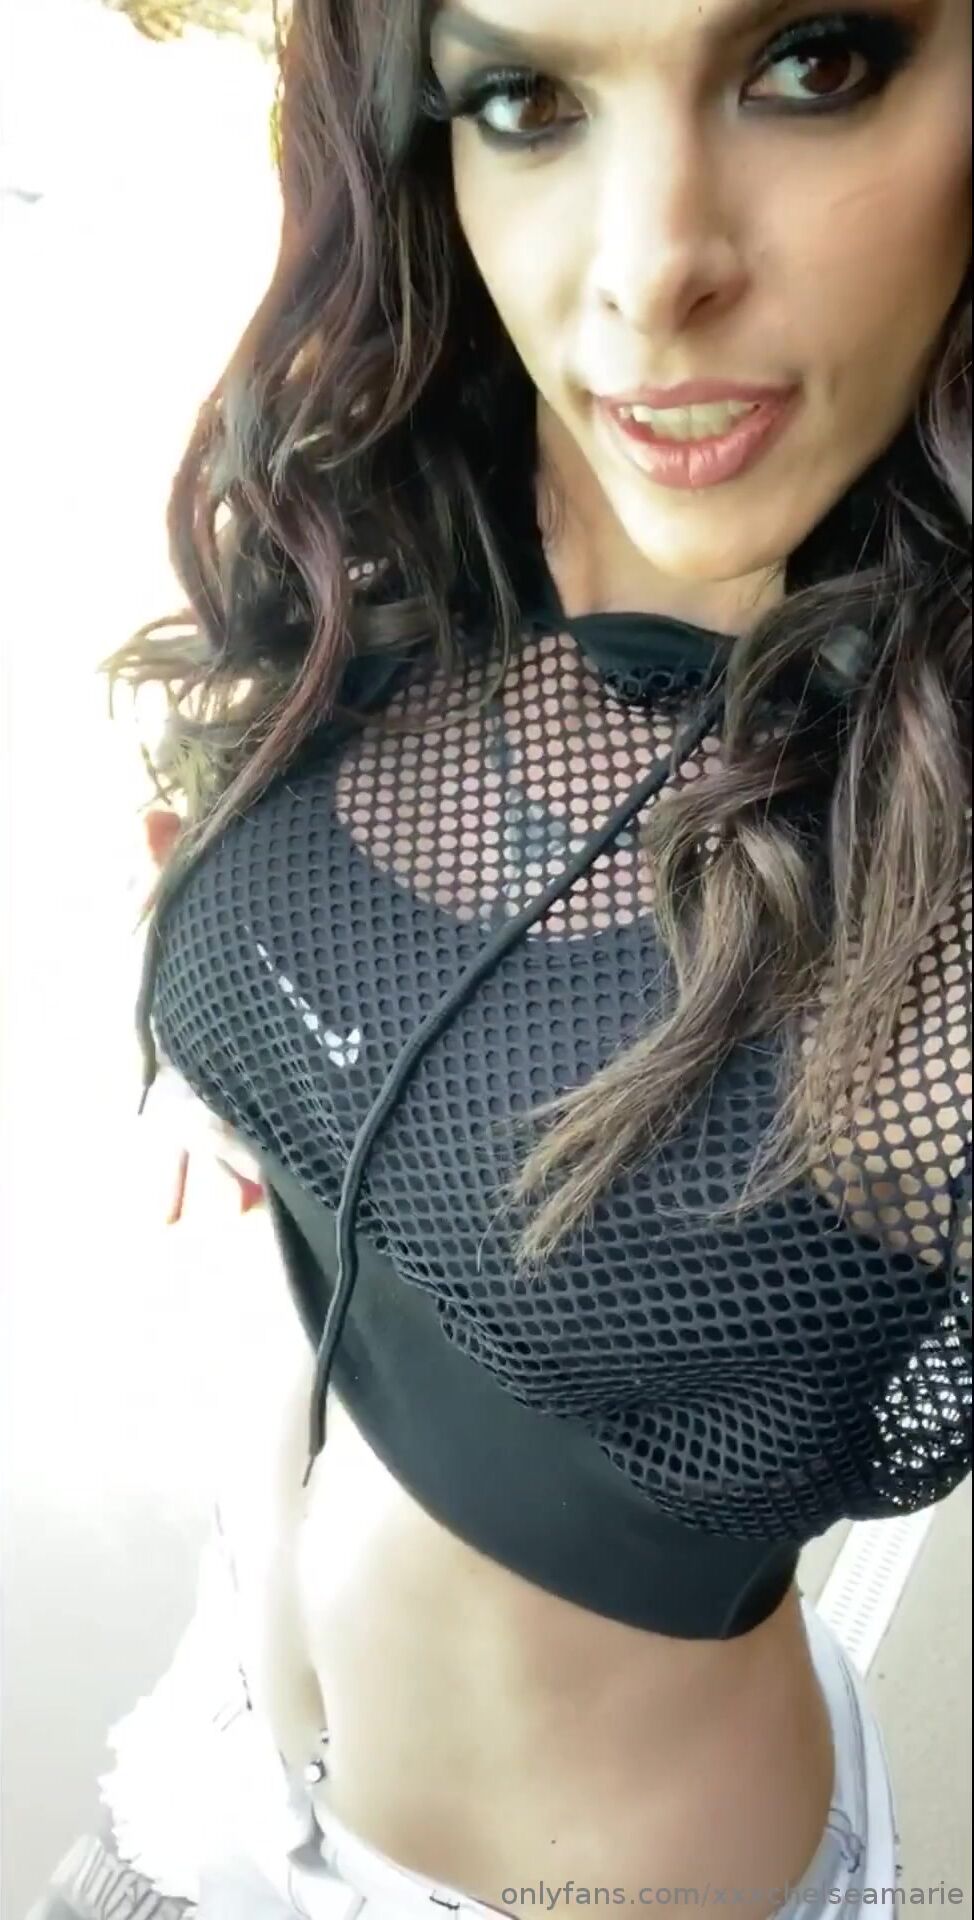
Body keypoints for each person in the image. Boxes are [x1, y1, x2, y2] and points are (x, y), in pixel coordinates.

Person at [33, 0, 971, 1914]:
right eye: (527, 97)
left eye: (812, 64)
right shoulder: (404, 548)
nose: (646, 270)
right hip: (227, 1733)